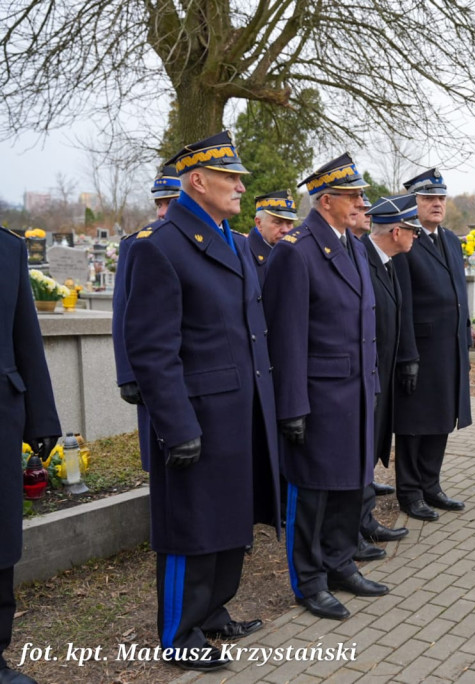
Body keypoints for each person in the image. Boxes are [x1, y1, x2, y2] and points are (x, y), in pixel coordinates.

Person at [122, 131, 280, 671]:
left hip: (241, 412)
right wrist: (176, 424)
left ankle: (214, 612)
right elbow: (151, 349)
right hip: (197, 417)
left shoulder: (235, 242)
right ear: (197, 181)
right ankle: (179, 633)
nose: (240, 186)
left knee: (230, 521)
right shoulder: (158, 246)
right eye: (230, 178)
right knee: (191, 526)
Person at [263, 153, 388, 621]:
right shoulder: (295, 249)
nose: (361, 201)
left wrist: (371, 383)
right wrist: (291, 405)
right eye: (353, 195)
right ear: (327, 199)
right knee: (313, 494)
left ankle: (340, 564)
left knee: (349, 486)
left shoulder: (352, 244)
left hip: (355, 391)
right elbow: (286, 334)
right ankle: (310, 581)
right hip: (316, 396)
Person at [392, 168, 472, 522]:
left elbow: (458, 296)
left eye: (441, 198)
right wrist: (406, 354)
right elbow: (402, 303)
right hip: (420, 350)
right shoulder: (406, 241)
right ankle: (409, 492)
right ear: (414, 202)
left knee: (441, 419)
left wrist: (465, 341)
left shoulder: (451, 240)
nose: (437, 204)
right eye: (428, 198)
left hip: (449, 348)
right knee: (414, 424)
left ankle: (431, 484)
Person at [1, 228, 61, 684]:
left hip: (1, 416)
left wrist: (42, 416)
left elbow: (26, 333)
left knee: (1, 544)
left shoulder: (8, 247)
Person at [356, 194, 421, 560]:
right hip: (364, 376)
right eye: (411, 230)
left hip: (380, 374)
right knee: (360, 451)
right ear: (396, 231)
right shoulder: (362, 259)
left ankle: (365, 520)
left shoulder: (387, 262)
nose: (414, 236)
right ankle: (356, 525)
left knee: (369, 448)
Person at [112, 165, 182, 470]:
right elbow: (123, 311)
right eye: (159, 204)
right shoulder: (138, 243)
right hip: (154, 369)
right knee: (159, 452)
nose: (162, 212)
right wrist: (127, 374)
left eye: (170, 203)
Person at [247, 190, 297, 287]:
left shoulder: (296, 253)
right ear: (259, 223)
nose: (285, 230)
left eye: (289, 223)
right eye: (277, 222)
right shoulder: (244, 255)